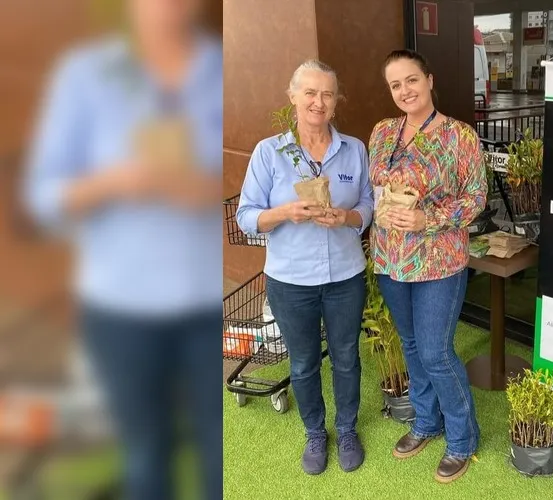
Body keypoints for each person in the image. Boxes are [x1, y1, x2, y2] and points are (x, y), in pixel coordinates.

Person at [21, 1, 222, 499]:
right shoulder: (86, 75)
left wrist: (202, 188)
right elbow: (41, 197)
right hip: (120, 309)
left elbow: (239, 186)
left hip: (206, 307)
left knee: (218, 458)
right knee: (146, 454)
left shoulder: (219, 68)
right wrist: (110, 183)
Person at [236, 59, 374, 475]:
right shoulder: (269, 152)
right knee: (303, 362)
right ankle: (315, 433)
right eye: (309, 93)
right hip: (290, 281)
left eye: (327, 94)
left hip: (346, 277)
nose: (318, 101)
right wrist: (284, 213)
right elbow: (246, 217)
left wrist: (349, 218)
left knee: (347, 357)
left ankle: (346, 429)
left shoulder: (354, 150)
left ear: (336, 101)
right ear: (293, 97)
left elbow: (368, 203)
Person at [368, 49, 487, 483]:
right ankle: (426, 420)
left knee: (436, 351)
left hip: (438, 261)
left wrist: (428, 218)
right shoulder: (382, 133)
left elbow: (476, 198)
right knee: (412, 344)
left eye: (411, 80)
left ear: (429, 80)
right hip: (390, 258)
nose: (405, 90)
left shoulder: (459, 136)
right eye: (396, 85)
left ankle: (462, 437)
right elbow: (375, 188)